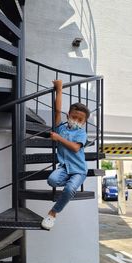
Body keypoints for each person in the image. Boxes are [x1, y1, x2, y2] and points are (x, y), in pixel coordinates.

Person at [41, 80, 90, 230]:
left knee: (69, 190)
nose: (76, 120)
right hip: (64, 168)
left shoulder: (81, 132)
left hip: (79, 170)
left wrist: (59, 139)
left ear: (84, 122)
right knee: (51, 180)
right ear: (68, 115)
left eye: (80, 119)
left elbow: (75, 148)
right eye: (73, 116)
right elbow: (57, 111)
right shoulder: (61, 127)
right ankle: (70, 185)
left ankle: (53, 213)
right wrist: (59, 89)